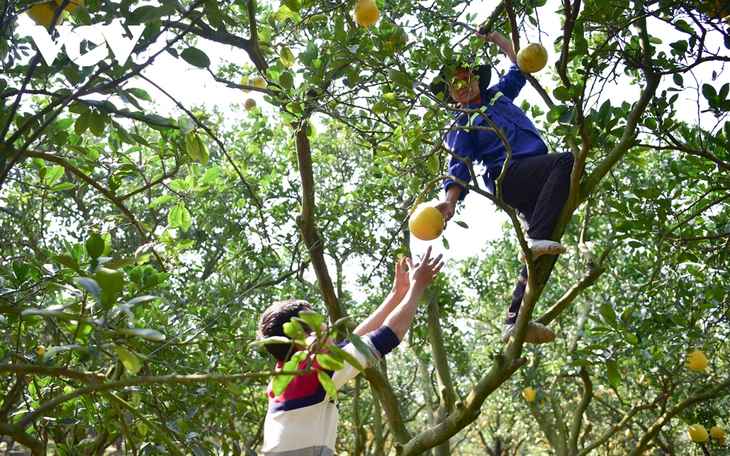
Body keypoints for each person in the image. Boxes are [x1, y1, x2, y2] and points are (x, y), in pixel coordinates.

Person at [432, 31, 574, 345]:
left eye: (467, 78)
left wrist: (497, 38)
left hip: (535, 176)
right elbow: (459, 165)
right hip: (507, 176)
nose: (463, 85)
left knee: (544, 248)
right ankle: (535, 241)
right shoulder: (463, 121)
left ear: (477, 79)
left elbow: (520, 66)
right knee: (566, 161)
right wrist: (450, 201)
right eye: (455, 84)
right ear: (450, 94)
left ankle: (514, 322)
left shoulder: (497, 95)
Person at [257, 247, 444, 455]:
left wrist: (397, 295)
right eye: (317, 321)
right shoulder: (313, 372)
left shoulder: (290, 375)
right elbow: (390, 334)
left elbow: (350, 345)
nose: (325, 325)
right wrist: (417, 287)